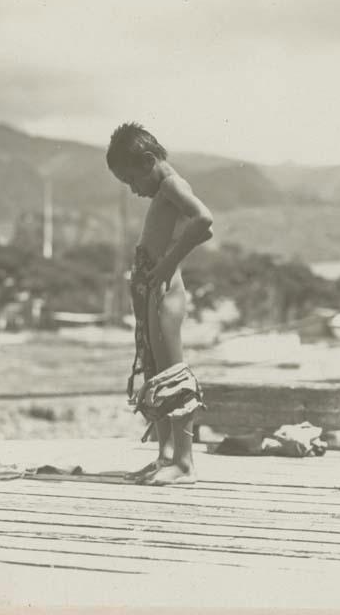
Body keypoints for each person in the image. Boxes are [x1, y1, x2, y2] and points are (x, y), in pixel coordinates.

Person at [106, 123, 213, 485]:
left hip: (167, 292)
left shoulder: (171, 184)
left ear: (149, 160)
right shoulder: (163, 190)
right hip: (153, 290)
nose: (135, 190)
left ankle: (185, 463)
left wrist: (167, 264)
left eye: (133, 180)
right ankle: (165, 455)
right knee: (155, 373)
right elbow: (200, 229)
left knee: (173, 377)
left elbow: (204, 220)